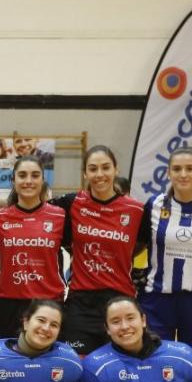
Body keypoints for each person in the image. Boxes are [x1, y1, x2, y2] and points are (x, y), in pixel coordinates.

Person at [136, 147, 192, 381]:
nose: (183, 174)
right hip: (157, 301)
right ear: (168, 173)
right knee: (154, 371)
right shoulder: (153, 205)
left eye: (190, 169)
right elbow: (135, 246)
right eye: (177, 169)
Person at [51, 145, 144, 355]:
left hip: (121, 301)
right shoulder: (72, 203)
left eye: (105, 167)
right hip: (81, 303)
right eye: (93, 169)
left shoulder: (136, 210)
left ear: (116, 169)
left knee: (120, 369)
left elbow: (144, 243)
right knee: (78, 369)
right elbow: (34, 207)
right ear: (85, 173)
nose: (99, 174)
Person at [0, 156, 67, 338]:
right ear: (13, 180)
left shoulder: (60, 216)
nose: (28, 181)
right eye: (22, 175)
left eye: (35, 175)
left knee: (48, 362)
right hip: (8, 302)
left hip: (49, 302)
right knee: (10, 361)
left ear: (42, 180)